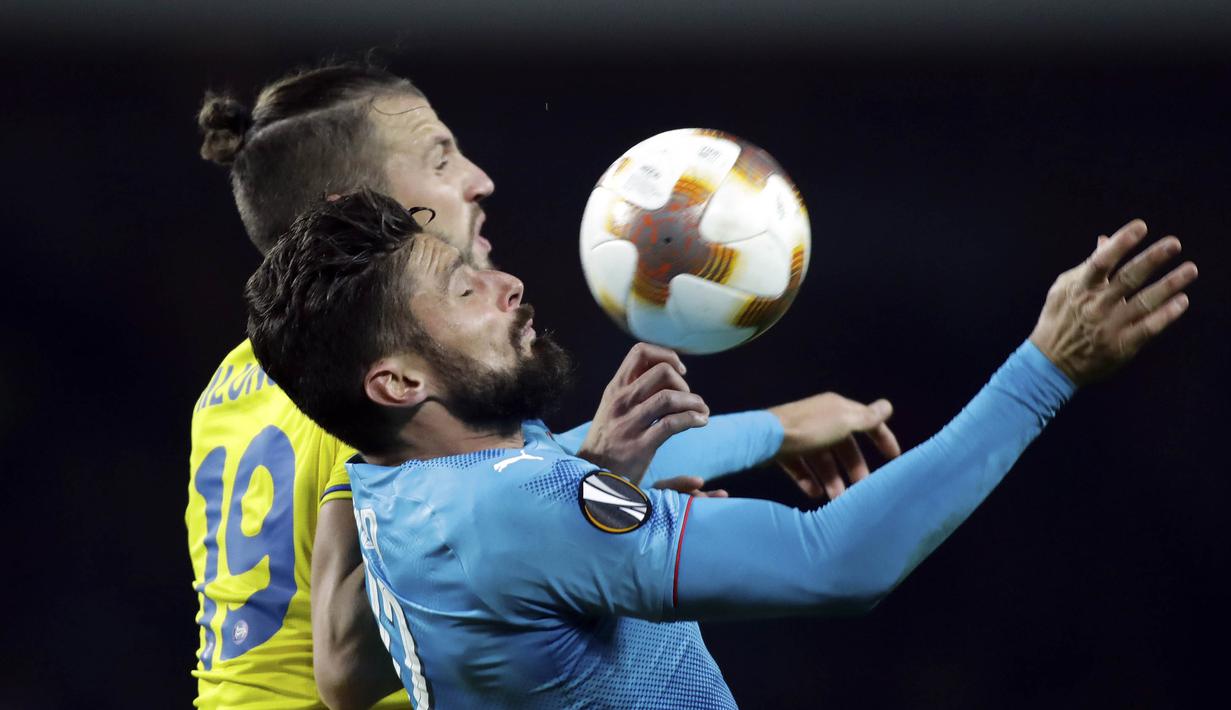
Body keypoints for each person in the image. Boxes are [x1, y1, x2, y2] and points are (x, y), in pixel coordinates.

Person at [245, 189, 1195, 708]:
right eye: (464, 292)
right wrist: (1046, 368)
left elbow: (552, 480)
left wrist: (774, 427)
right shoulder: (522, 507)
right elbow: (835, 565)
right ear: (399, 383)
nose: (509, 288)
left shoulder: (394, 492)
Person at [189, 61, 900, 709]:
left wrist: (759, 432)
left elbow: (461, 525)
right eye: (441, 157)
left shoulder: (237, 380)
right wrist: (582, 490)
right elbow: (344, 669)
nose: (477, 178)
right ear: (353, 205)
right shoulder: (368, 375)